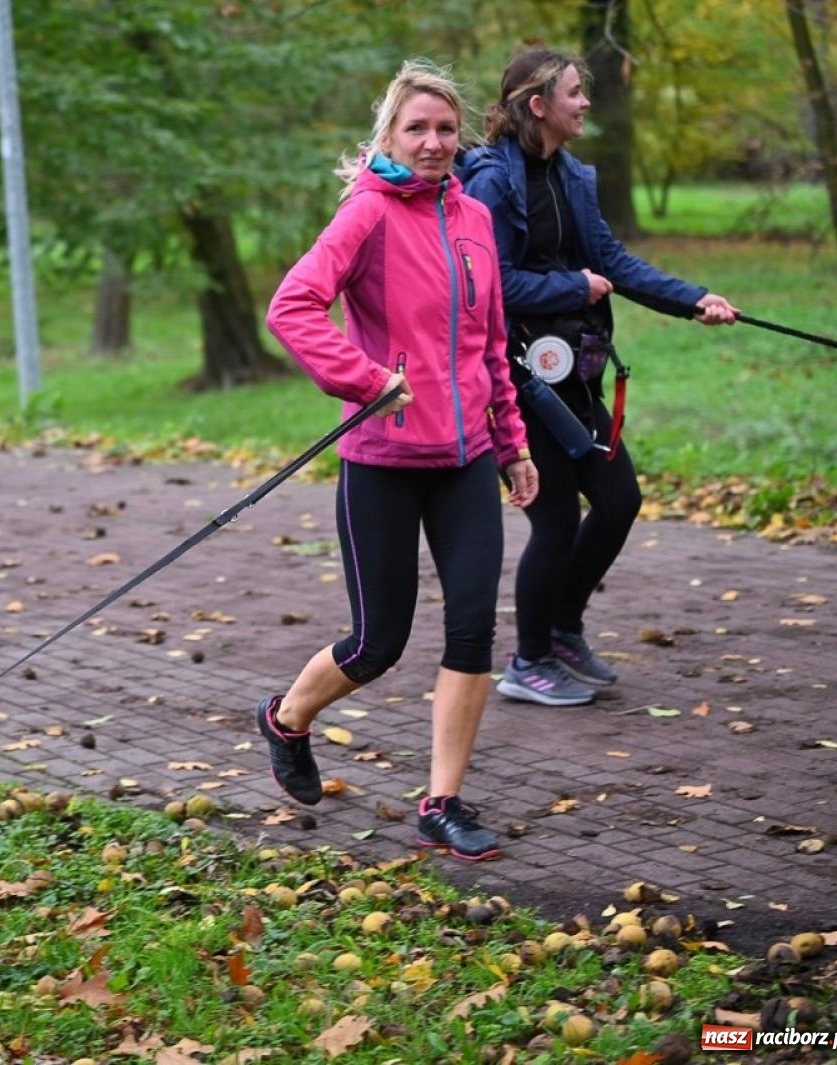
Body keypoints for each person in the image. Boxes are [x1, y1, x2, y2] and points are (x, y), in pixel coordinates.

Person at [259, 59, 537, 861]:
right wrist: (367, 380)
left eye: (446, 128)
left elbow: (487, 346)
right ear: (389, 135)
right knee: (377, 643)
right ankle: (287, 718)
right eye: (417, 128)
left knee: (475, 625)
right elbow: (294, 306)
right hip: (381, 457)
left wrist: (511, 443)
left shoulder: (474, 219)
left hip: (464, 459)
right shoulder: (367, 214)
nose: (434, 142)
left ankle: (442, 800)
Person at [457, 49, 738, 707]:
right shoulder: (493, 183)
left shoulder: (572, 176)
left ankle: (560, 629)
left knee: (619, 500)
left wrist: (692, 298)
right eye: (576, 93)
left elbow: (611, 259)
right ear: (539, 105)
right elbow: (486, 281)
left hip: (575, 366)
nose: (585, 103)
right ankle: (527, 662)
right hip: (518, 377)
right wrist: (571, 285)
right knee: (554, 520)